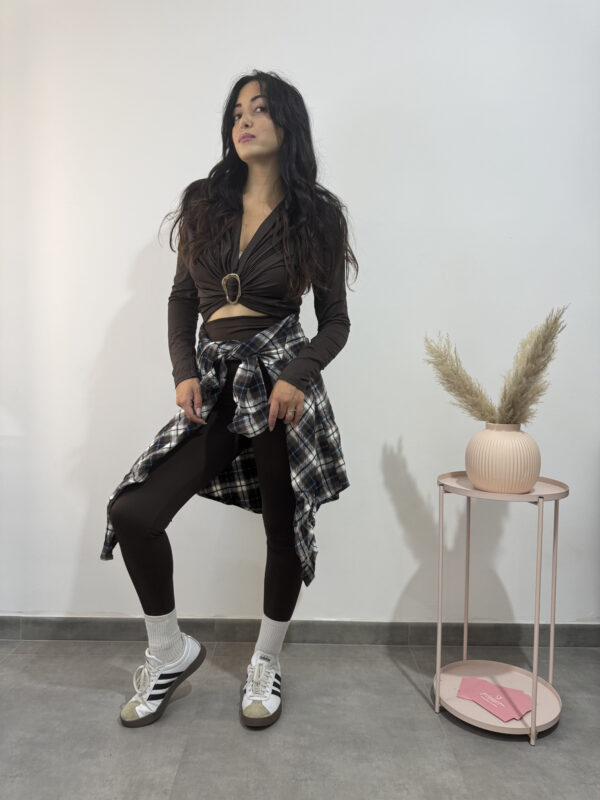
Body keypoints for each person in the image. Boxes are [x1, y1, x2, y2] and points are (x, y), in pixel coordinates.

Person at [102, 70, 358, 730]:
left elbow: (335, 322)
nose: (245, 120)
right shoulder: (204, 203)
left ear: (288, 124)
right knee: (134, 512)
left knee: (283, 529)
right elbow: (182, 297)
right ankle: (170, 652)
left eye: (260, 109)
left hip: (279, 388)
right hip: (217, 382)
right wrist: (183, 370)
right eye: (238, 111)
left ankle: (266, 662)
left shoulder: (317, 215)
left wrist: (297, 375)